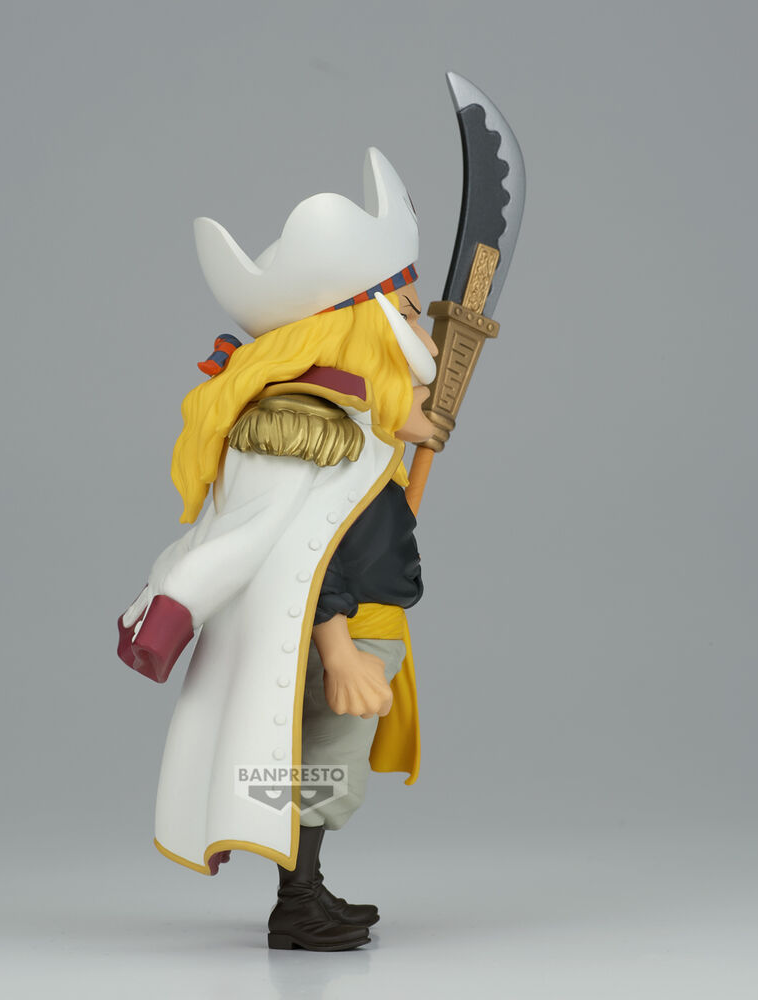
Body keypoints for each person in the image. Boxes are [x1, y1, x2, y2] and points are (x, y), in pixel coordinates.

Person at [118, 148, 438, 951]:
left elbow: (353, 499)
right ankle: (297, 903)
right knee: (319, 763)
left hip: (366, 619)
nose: (420, 323)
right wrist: (338, 649)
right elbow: (299, 553)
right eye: (406, 308)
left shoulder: (352, 415)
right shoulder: (306, 424)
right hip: (334, 628)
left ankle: (309, 890)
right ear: (364, 320)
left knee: (327, 762)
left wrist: (403, 428)